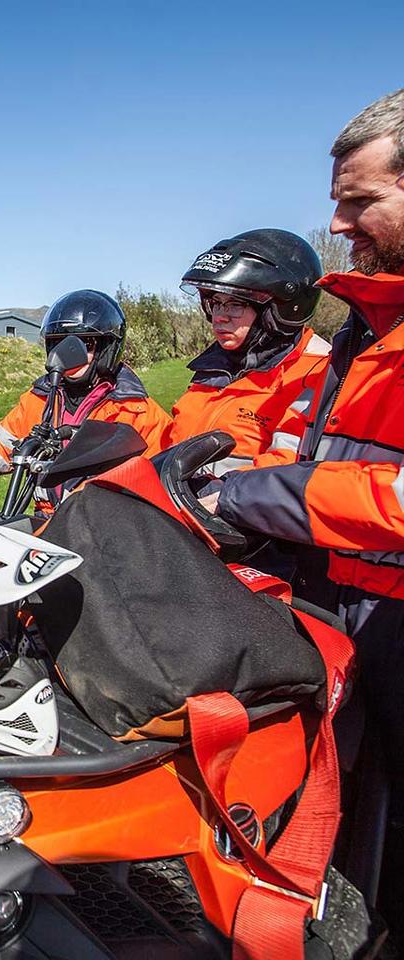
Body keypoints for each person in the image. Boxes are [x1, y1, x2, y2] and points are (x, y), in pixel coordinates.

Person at [207, 88, 404, 924]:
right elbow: (325, 453)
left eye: (361, 202)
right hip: (351, 614)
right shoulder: (373, 324)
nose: (344, 226)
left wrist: (253, 495)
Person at [0, 290, 171, 514]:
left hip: (104, 527)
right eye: (59, 344)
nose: (69, 355)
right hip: (45, 521)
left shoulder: (139, 413)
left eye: (85, 344)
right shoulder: (40, 399)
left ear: (107, 348)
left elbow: (164, 483)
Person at [169, 229, 330, 474]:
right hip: (173, 506)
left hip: (232, 508)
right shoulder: (214, 369)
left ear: (277, 311)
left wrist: (216, 494)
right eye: (214, 303)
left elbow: (286, 468)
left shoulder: (315, 374)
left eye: (235, 304)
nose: (219, 317)